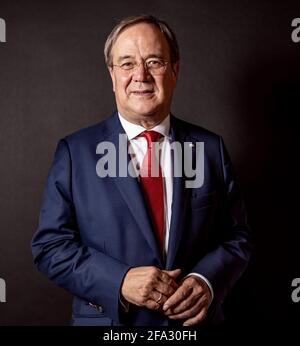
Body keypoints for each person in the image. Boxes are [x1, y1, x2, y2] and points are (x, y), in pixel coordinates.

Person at [31, 15, 252, 327]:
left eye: (154, 61)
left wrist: (207, 280)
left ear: (174, 70)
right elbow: (49, 248)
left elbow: (236, 238)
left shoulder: (210, 148)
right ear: (112, 75)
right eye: (126, 63)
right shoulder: (74, 153)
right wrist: (118, 281)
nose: (141, 75)